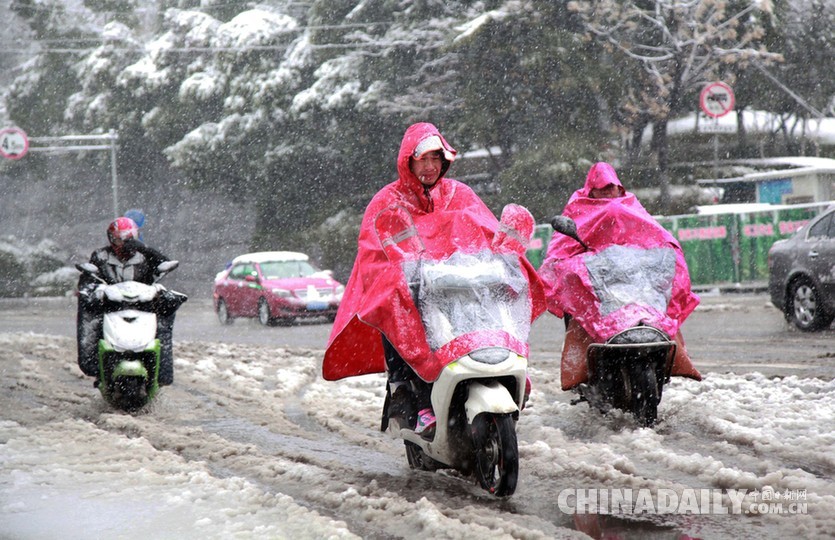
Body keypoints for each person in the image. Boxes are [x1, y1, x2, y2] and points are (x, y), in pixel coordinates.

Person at [322, 122, 544, 437]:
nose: (429, 167)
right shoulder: (387, 201)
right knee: (397, 313)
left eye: (435, 158)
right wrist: (400, 276)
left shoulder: (460, 194)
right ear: (408, 162)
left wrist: (505, 263)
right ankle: (408, 393)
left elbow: (488, 235)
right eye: (422, 159)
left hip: (461, 292)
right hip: (419, 295)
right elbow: (373, 256)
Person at [539, 162, 701, 391]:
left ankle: (669, 358)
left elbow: (655, 234)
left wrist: (667, 250)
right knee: (576, 303)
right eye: (603, 188)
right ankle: (584, 371)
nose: (608, 192)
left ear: (620, 188)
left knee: (663, 311)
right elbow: (561, 249)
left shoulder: (630, 205)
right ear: (591, 189)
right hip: (598, 284)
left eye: (612, 187)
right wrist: (573, 264)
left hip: (635, 281)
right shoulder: (580, 206)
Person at [76, 216, 177, 386]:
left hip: (142, 306)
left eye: (128, 238)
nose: (122, 243)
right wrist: (96, 292)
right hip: (111, 307)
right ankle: (94, 365)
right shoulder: (100, 256)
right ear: (110, 238)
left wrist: (145, 249)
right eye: (118, 238)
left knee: (164, 321)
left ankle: (162, 371)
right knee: (91, 320)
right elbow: (88, 281)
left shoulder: (145, 256)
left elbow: (164, 264)